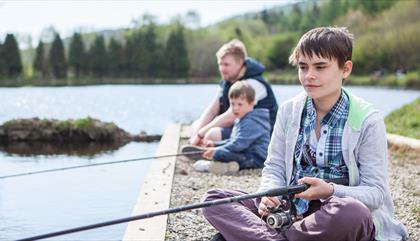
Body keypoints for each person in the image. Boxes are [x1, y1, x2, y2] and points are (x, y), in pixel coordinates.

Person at [201, 27, 407, 241]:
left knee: (353, 213)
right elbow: (274, 167)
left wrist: (330, 190)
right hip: (289, 211)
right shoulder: (288, 111)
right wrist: (269, 194)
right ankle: (281, 237)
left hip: (334, 214)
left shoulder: (368, 120)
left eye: (320, 67)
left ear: (345, 69)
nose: (309, 76)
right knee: (213, 199)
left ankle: (263, 236)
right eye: (303, 67)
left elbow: (375, 193)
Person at [189, 39, 278, 147]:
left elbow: (231, 115)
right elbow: (212, 110)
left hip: (260, 134)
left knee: (212, 134)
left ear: (240, 63)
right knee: (196, 125)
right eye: (220, 64)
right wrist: (197, 134)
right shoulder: (228, 80)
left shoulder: (254, 83)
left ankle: (207, 147)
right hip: (240, 126)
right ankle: (200, 146)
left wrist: (200, 134)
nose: (222, 69)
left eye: (226, 64)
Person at [192, 81, 271, 175]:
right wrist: (215, 144)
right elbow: (232, 140)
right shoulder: (242, 118)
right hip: (245, 154)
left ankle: (212, 165)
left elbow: (238, 144)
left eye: (240, 104)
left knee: (219, 153)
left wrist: (217, 150)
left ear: (252, 103)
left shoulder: (251, 121)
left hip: (256, 159)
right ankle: (229, 166)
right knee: (220, 151)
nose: (235, 108)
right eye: (232, 104)